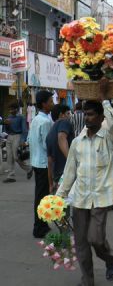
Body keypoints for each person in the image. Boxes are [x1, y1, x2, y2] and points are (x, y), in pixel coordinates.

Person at [56, 84, 113, 286]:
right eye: (85, 114)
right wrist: (59, 197)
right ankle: (87, 281)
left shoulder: (108, 138)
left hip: (101, 198)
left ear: (101, 118)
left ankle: (110, 259)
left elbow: (112, 122)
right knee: (81, 243)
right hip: (81, 198)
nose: (87, 117)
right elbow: (69, 172)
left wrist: (103, 98)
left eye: (92, 114)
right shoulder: (77, 142)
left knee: (96, 239)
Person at [29, 90, 53, 238]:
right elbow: (47, 144)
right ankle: (39, 227)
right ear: (44, 104)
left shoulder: (37, 119)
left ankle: (41, 224)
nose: (53, 103)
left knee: (41, 195)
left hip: (37, 161)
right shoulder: (44, 121)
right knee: (42, 196)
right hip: (43, 163)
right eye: (51, 101)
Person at [46, 104, 74, 193]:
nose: (70, 116)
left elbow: (49, 161)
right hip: (67, 173)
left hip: (57, 176)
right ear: (62, 115)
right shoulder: (64, 122)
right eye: (68, 113)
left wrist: (51, 184)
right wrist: (71, 161)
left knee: (61, 204)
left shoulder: (50, 133)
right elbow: (61, 138)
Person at [2, 102, 32, 183]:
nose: (11, 111)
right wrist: (6, 124)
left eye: (13, 109)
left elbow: (24, 130)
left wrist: (22, 141)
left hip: (17, 136)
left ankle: (29, 168)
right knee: (9, 157)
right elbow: (7, 130)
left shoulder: (21, 117)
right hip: (9, 137)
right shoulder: (9, 117)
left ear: (17, 109)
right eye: (10, 109)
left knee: (16, 156)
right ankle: (10, 176)